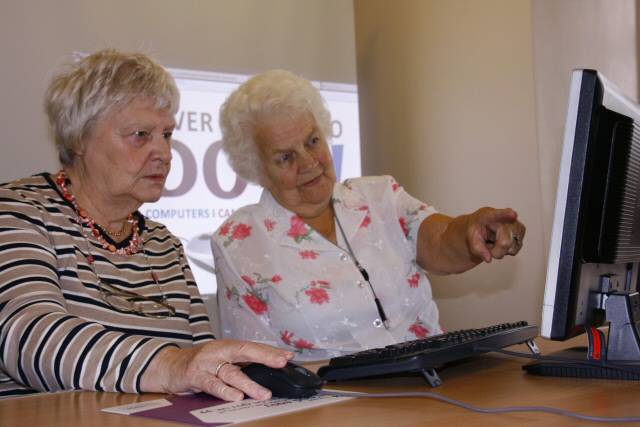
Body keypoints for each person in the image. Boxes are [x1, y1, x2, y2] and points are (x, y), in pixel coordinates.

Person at [0, 49, 293, 401]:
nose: (164, 153)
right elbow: (26, 336)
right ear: (79, 139)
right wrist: (169, 366)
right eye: (140, 134)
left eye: (167, 135)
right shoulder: (17, 211)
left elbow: (201, 362)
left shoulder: (163, 244)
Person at [212, 69, 526, 361]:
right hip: (330, 409)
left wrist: (473, 230)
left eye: (312, 141)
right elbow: (255, 363)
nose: (309, 163)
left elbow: (440, 240)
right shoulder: (240, 242)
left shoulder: (379, 196)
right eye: (285, 157)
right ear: (257, 169)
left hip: (432, 385)